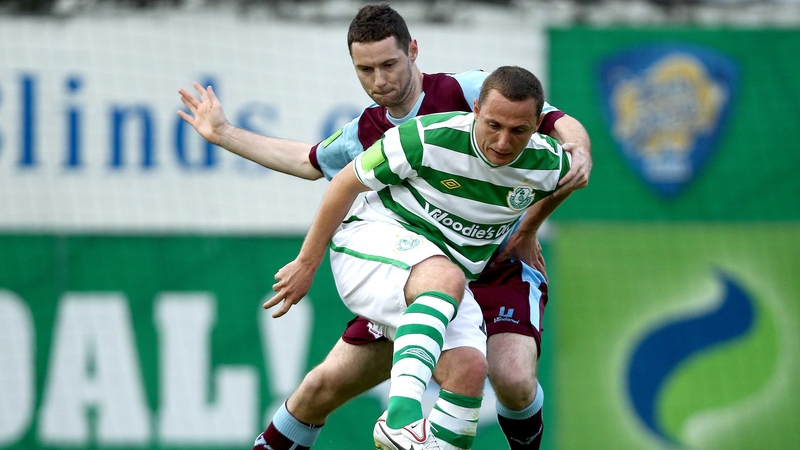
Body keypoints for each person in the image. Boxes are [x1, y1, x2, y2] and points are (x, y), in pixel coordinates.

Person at [177, 4, 592, 449]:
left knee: (512, 379)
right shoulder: (370, 131)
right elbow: (308, 162)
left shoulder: (469, 90)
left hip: (493, 265)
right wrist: (224, 134)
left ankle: (407, 421)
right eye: (366, 69)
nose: (380, 80)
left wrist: (535, 217)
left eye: (389, 64)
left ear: (413, 51)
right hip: (417, 269)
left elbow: (560, 129)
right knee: (322, 388)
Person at [264, 65, 571, 450]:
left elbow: (571, 174)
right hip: (377, 246)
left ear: (538, 125)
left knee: (469, 369)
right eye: (493, 125)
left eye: (518, 131)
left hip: (445, 282)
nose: (503, 141)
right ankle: (400, 420)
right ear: (476, 109)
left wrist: (528, 229)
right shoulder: (424, 137)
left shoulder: (548, 161)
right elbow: (341, 180)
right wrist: (306, 263)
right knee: (444, 279)